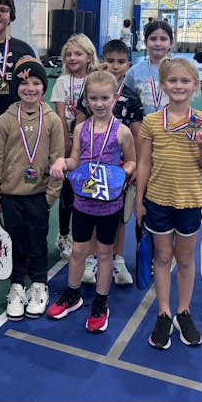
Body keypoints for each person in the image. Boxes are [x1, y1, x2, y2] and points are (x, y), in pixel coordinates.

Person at [135, 58, 202, 349]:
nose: (179, 85)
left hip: (190, 201)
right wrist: (138, 201)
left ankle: (183, 310)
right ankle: (164, 312)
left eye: (185, 81)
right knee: (163, 257)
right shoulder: (152, 122)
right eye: (173, 81)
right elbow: (143, 163)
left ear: (195, 85)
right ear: (163, 85)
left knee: (184, 259)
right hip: (157, 200)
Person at [46, 70, 136, 333]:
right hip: (83, 202)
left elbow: (132, 160)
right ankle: (73, 295)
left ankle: (100, 302)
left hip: (110, 205)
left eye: (105, 98)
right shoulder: (81, 128)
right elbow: (75, 159)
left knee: (105, 253)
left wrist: (124, 172)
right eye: (93, 98)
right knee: (78, 251)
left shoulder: (123, 131)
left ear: (115, 98)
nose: (99, 103)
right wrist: (64, 162)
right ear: (86, 98)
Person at [0, 56, 65, 320]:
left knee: (37, 242)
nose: (30, 88)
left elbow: (57, 158)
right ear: (16, 87)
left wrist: (52, 194)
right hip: (9, 196)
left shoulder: (52, 120)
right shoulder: (6, 120)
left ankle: (39, 285)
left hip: (39, 197)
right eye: (24, 83)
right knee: (14, 243)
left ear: (44, 86)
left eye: (35, 83)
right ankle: (17, 286)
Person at [76, 39, 144, 286]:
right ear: (102, 62)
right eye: (110, 61)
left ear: (128, 64)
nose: (115, 66)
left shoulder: (131, 97)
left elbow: (136, 135)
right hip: (90, 169)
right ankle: (92, 259)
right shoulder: (91, 91)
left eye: (120, 62)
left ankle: (117, 259)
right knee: (92, 214)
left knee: (117, 218)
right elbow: (80, 126)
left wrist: (132, 166)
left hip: (118, 171)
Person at [50, 33, 98, 263]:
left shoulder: (97, 79)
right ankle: (63, 235)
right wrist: (66, 141)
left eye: (78, 54)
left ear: (89, 57)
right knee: (67, 191)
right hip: (68, 141)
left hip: (93, 142)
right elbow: (60, 114)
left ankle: (86, 236)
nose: (72, 58)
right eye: (68, 54)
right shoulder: (62, 81)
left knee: (87, 188)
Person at [123, 19, 173, 115]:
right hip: (141, 126)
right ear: (145, 43)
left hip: (172, 127)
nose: (158, 43)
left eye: (163, 39)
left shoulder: (180, 71)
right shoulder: (134, 72)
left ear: (170, 43)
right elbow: (125, 100)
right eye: (153, 39)